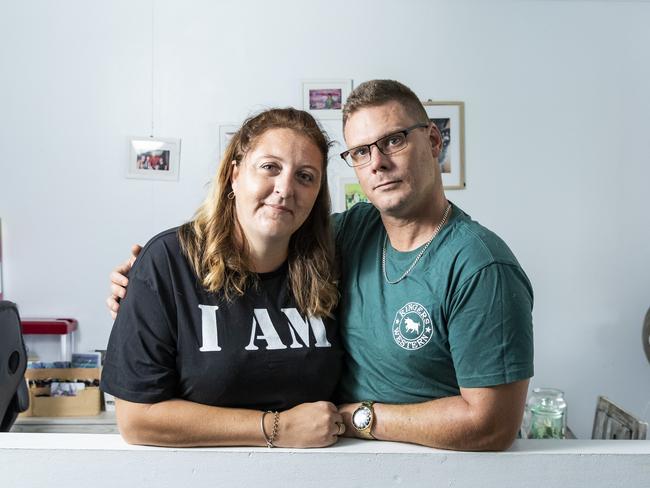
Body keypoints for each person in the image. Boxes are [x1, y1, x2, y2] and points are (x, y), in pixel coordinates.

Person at [108, 80, 533, 451]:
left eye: (395, 140)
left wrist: (351, 419)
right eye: (362, 151)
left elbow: (491, 426)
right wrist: (142, 285)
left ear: (435, 142)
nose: (378, 162)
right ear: (234, 174)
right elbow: (137, 415)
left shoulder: (475, 266)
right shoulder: (343, 237)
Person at [101, 108, 346, 448]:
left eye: (305, 176)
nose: (285, 188)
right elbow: (137, 419)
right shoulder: (169, 262)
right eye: (270, 167)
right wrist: (276, 428)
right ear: (234, 174)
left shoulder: (332, 266)